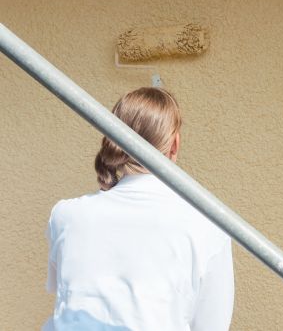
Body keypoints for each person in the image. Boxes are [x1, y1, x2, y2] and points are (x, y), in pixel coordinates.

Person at [43, 87, 234, 331]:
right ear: (174, 145)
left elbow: (69, 298)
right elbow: (212, 325)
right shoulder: (209, 225)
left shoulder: (65, 215)